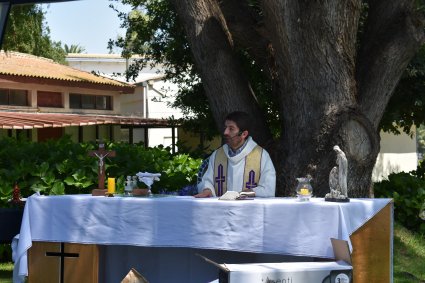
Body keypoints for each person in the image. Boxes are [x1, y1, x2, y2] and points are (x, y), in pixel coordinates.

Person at [194, 111, 276, 198]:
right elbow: (207, 181)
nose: (225, 132)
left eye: (231, 129)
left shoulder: (261, 156)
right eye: (225, 127)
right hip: (221, 209)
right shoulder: (217, 155)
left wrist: (241, 194)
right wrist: (207, 190)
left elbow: (268, 189)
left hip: (250, 210)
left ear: (244, 134)